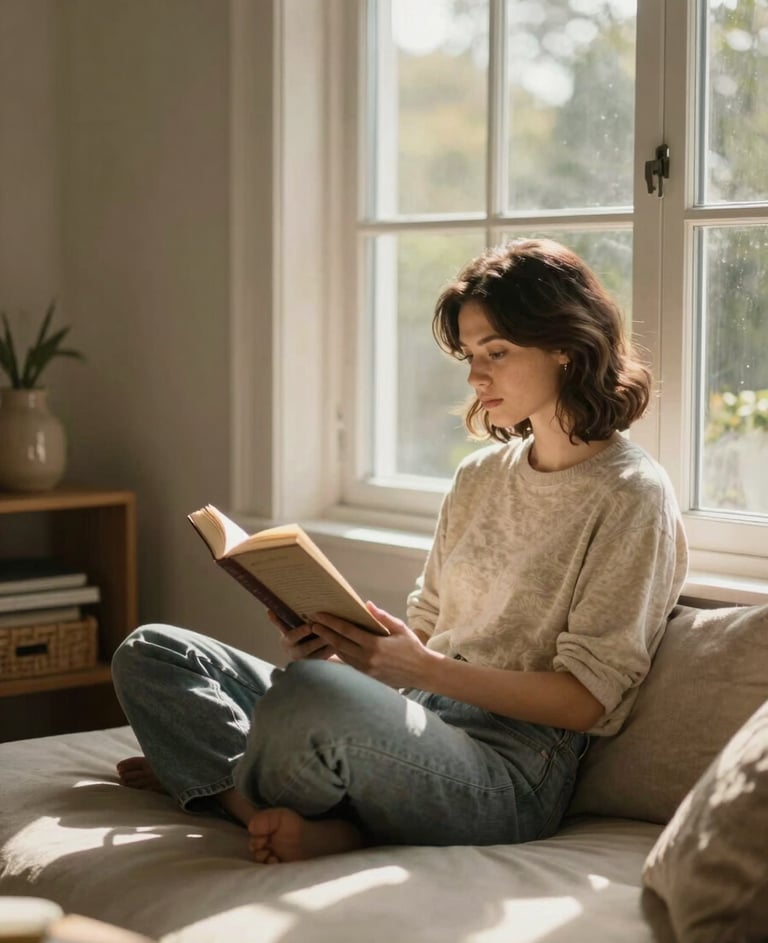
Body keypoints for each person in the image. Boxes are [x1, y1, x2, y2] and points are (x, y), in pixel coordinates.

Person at [112, 237, 688, 864]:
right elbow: (427, 631)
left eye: (496, 351)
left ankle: (225, 781)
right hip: (410, 716)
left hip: (510, 769)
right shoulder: (480, 477)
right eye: (470, 354)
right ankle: (245, 798)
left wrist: (420, 672)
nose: (475, 375)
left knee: (310, 696)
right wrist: (348, 649)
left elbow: (586, 700)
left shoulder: (632, 496)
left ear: (568, 349)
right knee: (152, 653)